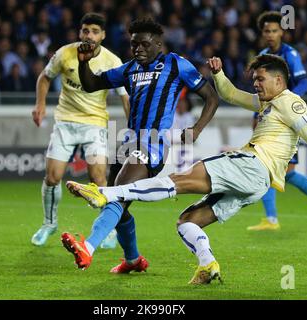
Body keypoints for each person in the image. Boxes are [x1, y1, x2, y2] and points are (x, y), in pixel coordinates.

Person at [67, 54, 307, 284]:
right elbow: (231, 95)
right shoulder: (267, 103)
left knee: (180, 180)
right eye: (255, 79)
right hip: (258, 184)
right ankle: (207, 264)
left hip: (252, 165)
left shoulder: (291, 102)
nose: (255, 84)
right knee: (187, 222)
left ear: (279, 80)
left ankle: (105, 192)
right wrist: (218, 74)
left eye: (260, 79)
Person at [61, 18, 218, 273]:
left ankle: (87, 248)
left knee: (118, 194)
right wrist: (83, 62)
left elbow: (211, 97)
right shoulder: (130, 69)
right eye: (134, 45)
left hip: (153, 144)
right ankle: (133, 260)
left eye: (144, 44)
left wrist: (196, 128)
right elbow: (91, 84)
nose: (138, 49)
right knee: (118, 204)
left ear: (158, 43)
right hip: (127, 142)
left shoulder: (176, 64)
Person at [30, 13, 130, 246]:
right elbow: (44, 77)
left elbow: (125, 97)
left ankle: (109, 230)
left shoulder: (112, 62)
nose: (89, 35)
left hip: (95, 124)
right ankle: (49, 224)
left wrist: (133, 127)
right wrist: (40, 104)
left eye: (95, 31)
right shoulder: (65, 53)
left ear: (103, 35)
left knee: (97, 178)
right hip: (65, 122)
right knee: (52, 177)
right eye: (86, 31)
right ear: (80, 32)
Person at [248, 11, 307, 231]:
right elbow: (260, 91)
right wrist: (255, 115)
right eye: (266, 31)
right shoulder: (262, 54)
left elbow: (304, 84)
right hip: (269, 118)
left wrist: (283, 101)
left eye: (274, 31)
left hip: (287, 118)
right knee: (284, 172)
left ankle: (273, 219)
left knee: (275, 169)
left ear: (282, 32)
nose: (270, 35)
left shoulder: (291, 55)